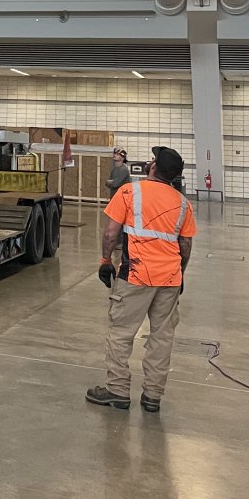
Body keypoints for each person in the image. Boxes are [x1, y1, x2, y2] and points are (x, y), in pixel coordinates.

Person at [86, 146, 196, 413]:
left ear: (154, 167)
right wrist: (180, 273)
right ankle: (152, 396)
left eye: (153, 159)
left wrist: (105, 261)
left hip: (135, 275)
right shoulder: (183, 203)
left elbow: (110, 233)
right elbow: (185, 245)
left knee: (121, 333)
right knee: (162, 337)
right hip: (169, 279)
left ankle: (117, 390)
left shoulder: (129, 192)